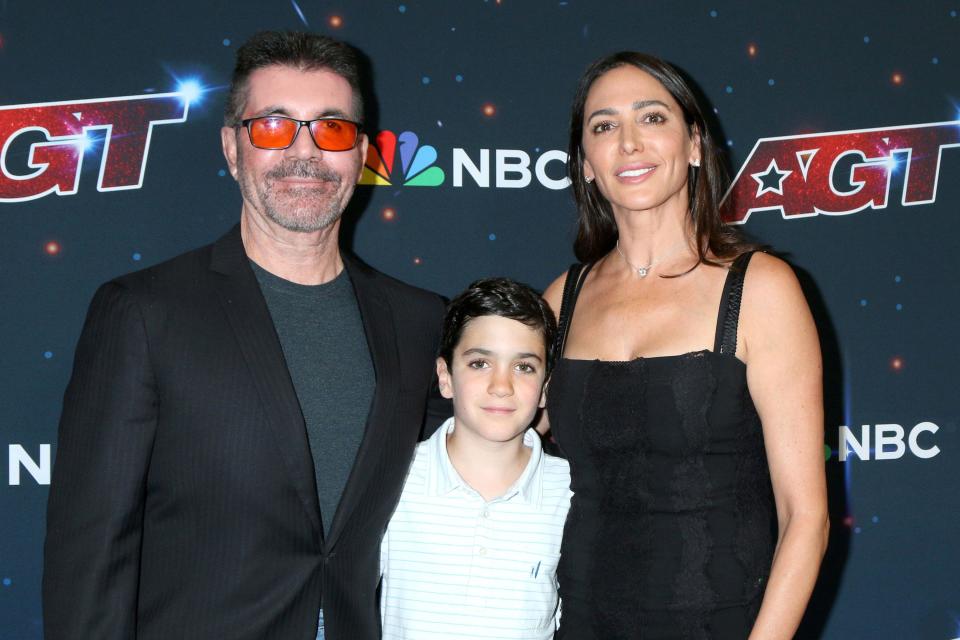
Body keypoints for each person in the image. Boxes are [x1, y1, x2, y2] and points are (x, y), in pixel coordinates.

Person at [43, 31, 447, 640]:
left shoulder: (421, 321)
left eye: (331, 128)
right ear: (233, 149)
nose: (304, 152)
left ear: (361, 153)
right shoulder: (144, 312)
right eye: (274, 126)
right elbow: (91, 553)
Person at [541, 51, 829, 639]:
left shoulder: (761, 289)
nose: (628, 143)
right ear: (586, 165)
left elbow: (807, 518)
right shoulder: (560, 300)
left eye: (652, 118)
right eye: (603, 126)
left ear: (694, 143)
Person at [379, 278, 572, 639]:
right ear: (445, 377)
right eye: (480, 363)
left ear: (546, 388)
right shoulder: (394, 479)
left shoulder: (571, 493)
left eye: (524, 366)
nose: (502, 385)